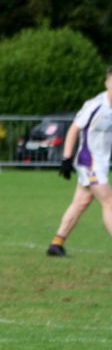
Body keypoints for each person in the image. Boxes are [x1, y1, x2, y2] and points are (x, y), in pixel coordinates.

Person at [46, 67, 112, 257]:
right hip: (88, 160)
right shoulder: (95, 105)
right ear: (106, 83)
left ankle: (56, 243)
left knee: (81, 202)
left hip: (101, 162)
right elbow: (74, 129)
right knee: (109, 201)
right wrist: (66, 158)